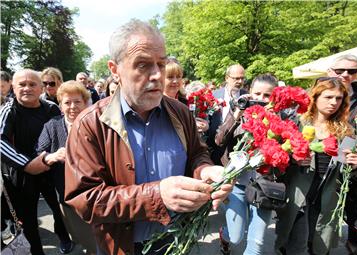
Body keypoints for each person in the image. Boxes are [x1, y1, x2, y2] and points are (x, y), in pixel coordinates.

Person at [64, 20, 233, 255]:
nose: (156, 75)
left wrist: (205, 170)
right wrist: (157, 196)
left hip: (178, 240)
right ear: (115, 70)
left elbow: (197, 153)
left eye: (161, 64)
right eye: (143, 65)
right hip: (122, 246)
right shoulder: (89, 124)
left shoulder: (180, 112)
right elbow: (85, 200)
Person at [275, 77, 355, 255]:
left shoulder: (346, 130)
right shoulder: (296, 123)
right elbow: (276, 156)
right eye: (328, 97)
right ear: (315, 97)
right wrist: (293, 158)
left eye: (338, 98)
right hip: (298, 194)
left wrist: (355, 164)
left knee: (319, 243)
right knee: (297, 244)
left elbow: (345, 168)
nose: (333, 102)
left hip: (326, 196)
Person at [0, 69, 74, 254]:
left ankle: (65, 239)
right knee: (28, 220)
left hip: (51, 170)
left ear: (41, 87)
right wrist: (27, 164)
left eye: (32, 84)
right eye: (22, 85)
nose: (27, 89)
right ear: (13, 88)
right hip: (22, 176)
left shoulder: (51, 108)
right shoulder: (9, 111)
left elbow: (63, 133)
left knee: (59, 210)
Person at [215, 73, 279, 255]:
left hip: (264, 185)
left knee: (256, 243)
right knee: (236, 236)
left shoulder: (280, 117)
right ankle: (225, 235)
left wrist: (275, 123)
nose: (261, 100)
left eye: (267, 96)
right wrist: (237, 113)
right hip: (237, 183)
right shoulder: (239, 112)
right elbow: (219, 140)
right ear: (249, 93)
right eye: (257, 94)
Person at [36, 80, 95, 254]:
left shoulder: (95, 123)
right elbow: (39, 151)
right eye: (67, 102)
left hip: (98, 193)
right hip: (68, 194)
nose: (72, 107)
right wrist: (51, 156)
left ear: (85, 103)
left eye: (77, 102)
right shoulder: (52, 125)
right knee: (84, 238)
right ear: (60, 106)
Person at [327, 54, 357, 254]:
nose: (345, 75)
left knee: (354, 205)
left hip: (354, 157)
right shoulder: (317, 92)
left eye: (352, 71)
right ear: (330, 71)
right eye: (340, 70)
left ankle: (353, 241)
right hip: (324, 153)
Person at [210, 64, 248, 165]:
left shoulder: (247, 98)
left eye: (242, 78)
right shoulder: (213, 96)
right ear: (227, 78)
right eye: (236, 78)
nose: (240, 81)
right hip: (214, 151)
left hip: (236, 153)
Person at [164, 60, 209, 133]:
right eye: (170, 77)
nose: (175, 81)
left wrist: (204, 125)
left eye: (178, 77)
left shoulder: (185, 101)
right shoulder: (156, 103)